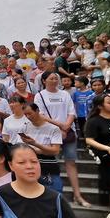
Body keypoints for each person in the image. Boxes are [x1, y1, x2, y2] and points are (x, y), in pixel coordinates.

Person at [35, 71, 91, 207]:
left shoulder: (65, 94)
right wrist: (60, 127)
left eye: (56, 78)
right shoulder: (40, 96)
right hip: (49, 134)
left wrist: (66, 127)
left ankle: (77, 195)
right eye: (51, 78)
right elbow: (41, 115)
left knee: (71, 163)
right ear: (44, 81)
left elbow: (71, 112)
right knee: (50, 164)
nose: (55, 80)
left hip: (68, 133)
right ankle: (50, 196)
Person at [20, 103, 63, 192]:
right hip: (30, 167)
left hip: (49, 166)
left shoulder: (53, 129)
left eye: (30, 113)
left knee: (54, 194)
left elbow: (55, 151)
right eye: (25, 114)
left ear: (37, 111)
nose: (28, 116)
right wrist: (42, 150)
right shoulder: (25, 127)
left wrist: (35, 144)